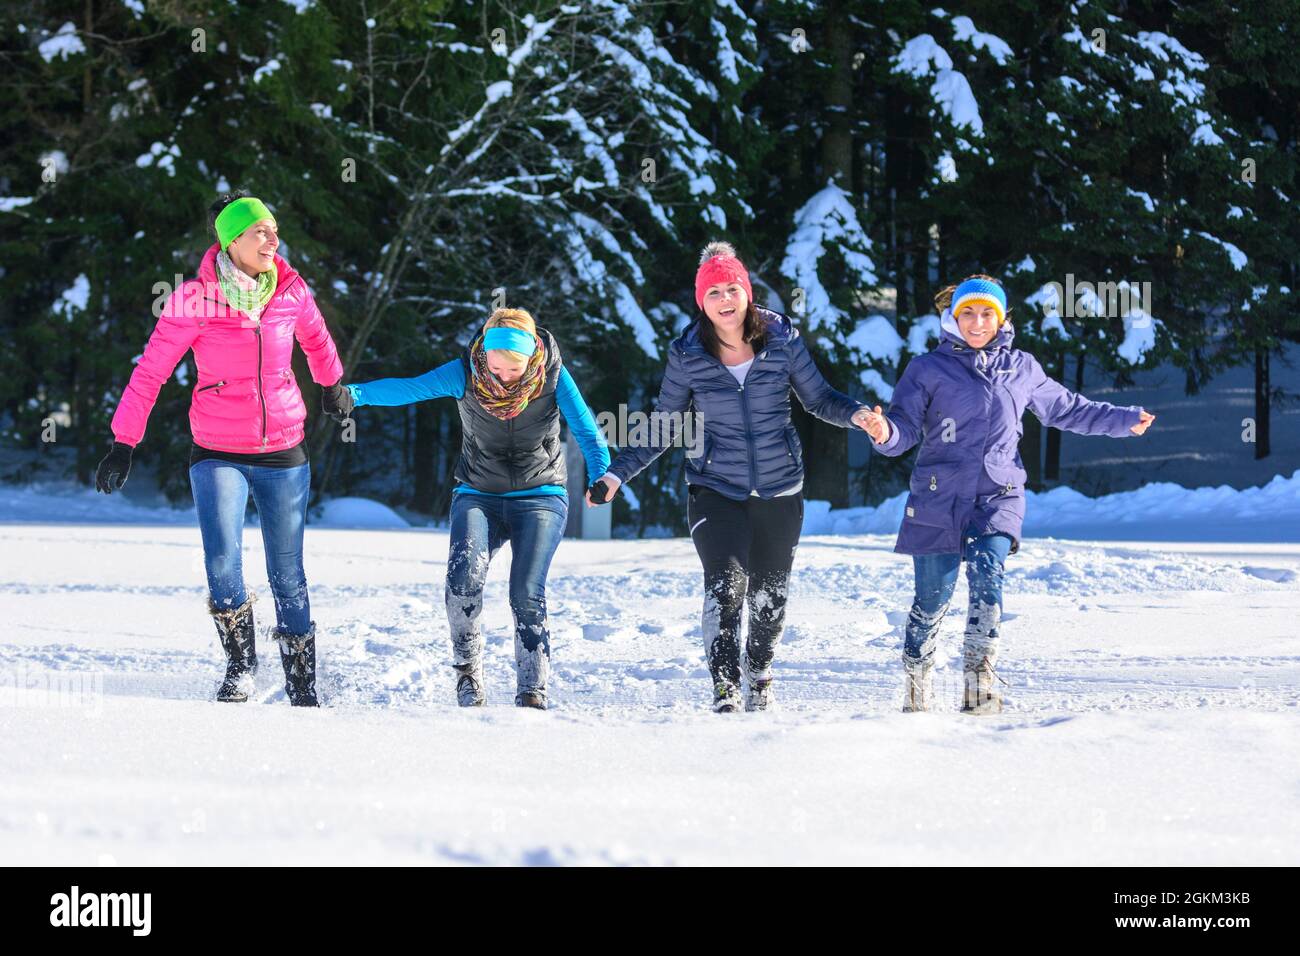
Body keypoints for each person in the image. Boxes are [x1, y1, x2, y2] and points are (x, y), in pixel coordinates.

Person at [589, 241, 877, 713]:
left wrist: (858, 415)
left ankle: (759, 670)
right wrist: (618, 474)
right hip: (714, 487)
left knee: (770, 596)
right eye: (713, 292)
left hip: (780, 487)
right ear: (701, 302)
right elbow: (665, 424)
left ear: (747, 293)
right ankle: (725, 685)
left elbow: (820, 399)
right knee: (727, 584)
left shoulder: (782, 339)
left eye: (732, 289)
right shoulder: (688, 354)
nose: (725, 300)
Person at [859, 274, 1156, 713]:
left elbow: (1067, 408)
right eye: (968, 313)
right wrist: (883, 431)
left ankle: (979, 687)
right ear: (953, 317)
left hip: (998, 494)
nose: (977, 322)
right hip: (938, 496)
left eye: (987, 314)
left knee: (987, 577)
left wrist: (1122, 419)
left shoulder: (1022, 368)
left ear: (1001, 319)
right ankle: (916, 687)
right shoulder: (926, 369)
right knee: (932, 598)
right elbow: (902, 430)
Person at [96, 191, 349, 707]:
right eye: (260, 232)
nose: (272, 240)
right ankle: (241, 666)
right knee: (222, 560)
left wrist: (331, 384)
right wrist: (124, 441)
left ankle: (301, 679)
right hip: (217, 449)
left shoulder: (292, 291)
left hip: (283, 448)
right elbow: (151, 371)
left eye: (274, 230)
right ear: (231, 240)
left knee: (287, 568)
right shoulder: (192, 299)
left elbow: (318, 341)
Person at [340, 308, 609, 709]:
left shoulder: (553, 376)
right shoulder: (465, 372)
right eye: (494, 366)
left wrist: (601, 475)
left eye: (511, 370)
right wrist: (354, 395)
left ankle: (532, 687)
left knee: (526, 590)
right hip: (478, 493)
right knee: (463, 578)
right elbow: (410, 388)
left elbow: (588, 430)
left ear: (530, 357)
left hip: (541, 496)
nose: (501, 377)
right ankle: (468, 674)